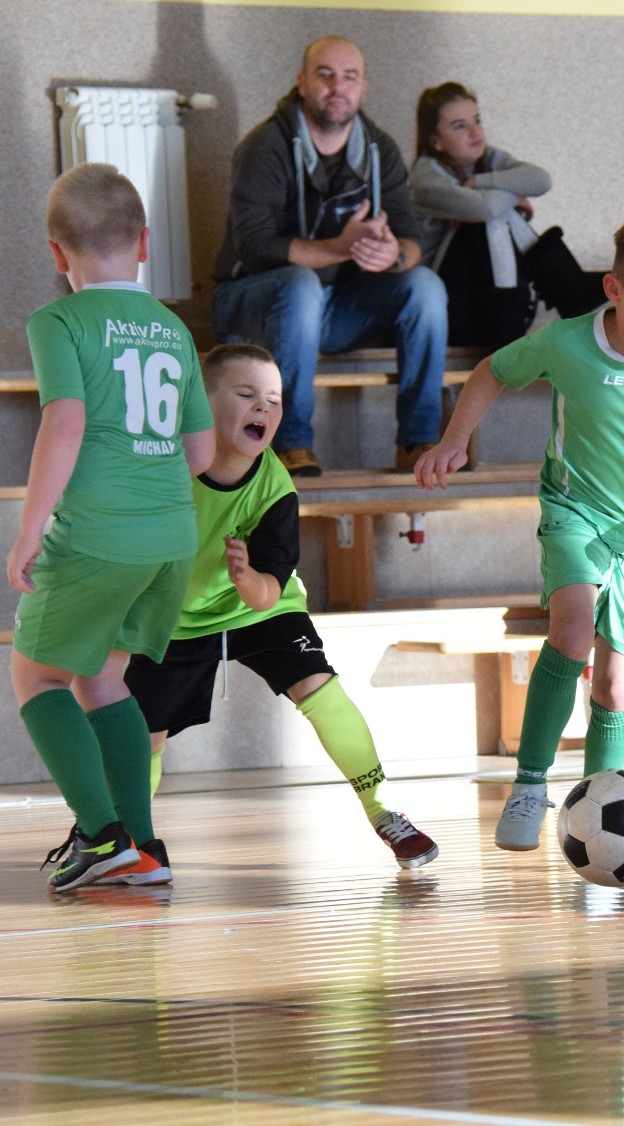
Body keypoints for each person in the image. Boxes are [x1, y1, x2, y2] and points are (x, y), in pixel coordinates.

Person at [415, 212, 624, 852]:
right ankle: (528, 785)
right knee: (571, 632)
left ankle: (598, 804)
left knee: (617, 684)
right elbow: (491, 370)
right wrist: (455, 440)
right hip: (576, 513)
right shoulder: (566, 343)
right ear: (614, 290)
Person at [123, 343, 439, 871]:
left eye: (274, 399)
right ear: (198, 403)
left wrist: (246, 581)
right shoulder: (160, 467)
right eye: (247, 394)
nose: (264, 408)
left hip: (261, 608)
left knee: (317, 683)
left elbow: (270, 586)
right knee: (143, 733)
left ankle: (382, 808)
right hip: (173, 619)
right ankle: (130, 838)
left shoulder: (274, 487)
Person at [6, 163, 216, 892]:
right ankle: (144, 846)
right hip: (169, 540)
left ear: (57, 254)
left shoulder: (57, 320)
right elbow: (202, 452)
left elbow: (64, 423)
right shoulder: (172, 329)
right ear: (145, 243)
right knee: (104, 678)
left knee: (36, 674)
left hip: (98, 534)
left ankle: (99, 837)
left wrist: (31, 530)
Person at [212, 35, 448, 478]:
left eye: (349, 77)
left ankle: (418, 440)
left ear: (363, 88)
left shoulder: (380, 150)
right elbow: (254, 246)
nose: (337, 87)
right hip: (248, 306)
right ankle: (291, 442)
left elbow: (413, 240)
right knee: (300, 283)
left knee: (425, 286)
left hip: (329, 310)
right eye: (325, 75)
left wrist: (392, 254)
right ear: (302, 83)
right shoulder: (265, 146)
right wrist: (340, 248)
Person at [410, 82, 605, 351]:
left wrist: (481, 181)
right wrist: (515, 194)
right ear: (435, 141)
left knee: (496, 210)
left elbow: (541, 180)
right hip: (446, 304)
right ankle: (565, 292)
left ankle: (555, 296)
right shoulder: (426, 177)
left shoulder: (486, 159)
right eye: (459, 126)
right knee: (490, 217)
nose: (475, 132)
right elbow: (486, 209)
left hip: (478, 299)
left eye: (476, 120)